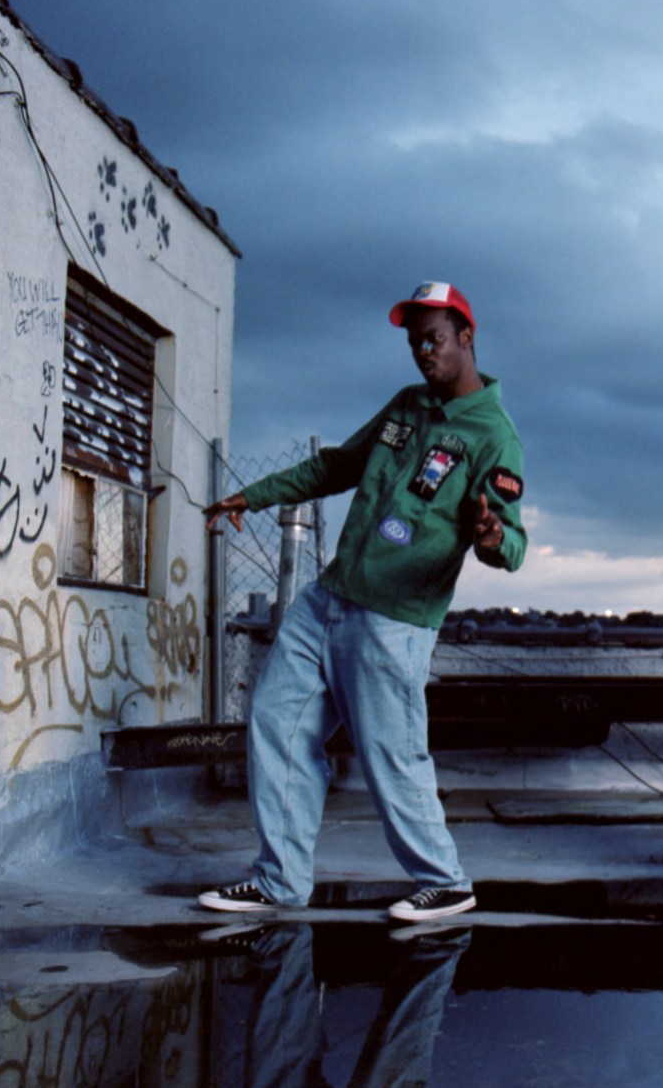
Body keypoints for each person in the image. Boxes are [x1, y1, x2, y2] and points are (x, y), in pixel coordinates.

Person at [199, 281, 525, 920]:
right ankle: (279, 881)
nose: (423, 353)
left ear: (466, 336)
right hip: (329, 599)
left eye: (433, 339)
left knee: (390, 756)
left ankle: (445, 880)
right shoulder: (408, 406)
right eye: (413, 343)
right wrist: (253, 495)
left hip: (393, 622)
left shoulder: (495, 436)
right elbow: (337, 466)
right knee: (275, 718)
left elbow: (510, 540)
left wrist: (491, 535)